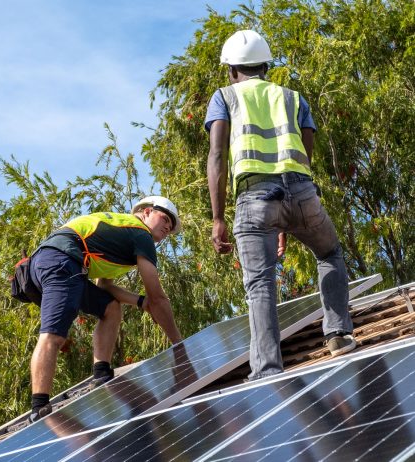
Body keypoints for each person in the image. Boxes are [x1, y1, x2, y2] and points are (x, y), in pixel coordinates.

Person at [205, 30, 356, 381]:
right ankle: (337, 333)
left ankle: (267, 370)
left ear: (231, 69)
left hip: (256, 198)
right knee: (329, 254)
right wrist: (290, 216)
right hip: (302, 192)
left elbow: (216, 155)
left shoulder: (224, 97)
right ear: (265, 66)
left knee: (260, 283)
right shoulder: (292, 97)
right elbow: (305, 152)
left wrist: (217, 218)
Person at [28, 196, 183, 421]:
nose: (169, 227)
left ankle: (101, 372)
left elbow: (106, 287)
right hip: (62, 261)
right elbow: (158, 297)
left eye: (171, 226)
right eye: (165, 218)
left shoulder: (120, 235)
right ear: (147, 212)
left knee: (110, 307)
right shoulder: (141, 234)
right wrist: (179, 345)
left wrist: (141, 302)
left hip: (52, 261)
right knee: (53, 335)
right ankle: (39, 407)